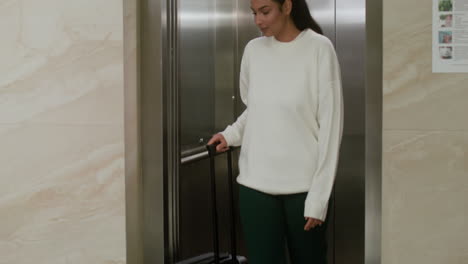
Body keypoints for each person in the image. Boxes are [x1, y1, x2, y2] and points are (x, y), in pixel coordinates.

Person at [207, 0, 343, 263]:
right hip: (255, 187)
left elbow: (331, 126)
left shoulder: (319, 48)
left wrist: (319, 197)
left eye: (265, 11)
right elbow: (256, 109)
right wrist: (231, 134)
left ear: (287, 6)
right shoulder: (253, 50)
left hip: (303, 191)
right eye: (254, 13)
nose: (258, 20)